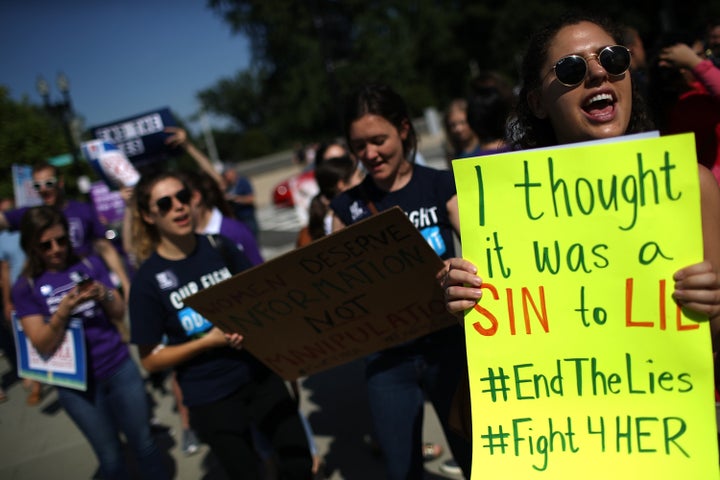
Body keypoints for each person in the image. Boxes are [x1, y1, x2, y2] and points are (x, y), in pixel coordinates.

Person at [441, 11, 720, 430]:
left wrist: (711, 307)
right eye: (571, 69)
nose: (598, 74)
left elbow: (712, 341)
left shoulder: (690, 185)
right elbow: (491, 385)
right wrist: (463, 302)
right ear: (536, 101)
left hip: (667, 431)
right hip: (567, 439)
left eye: (612, 59)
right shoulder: (500, 210)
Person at [127, 171, 313, 479]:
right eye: (165, 203)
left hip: (260, 375)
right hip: (211, 395)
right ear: (148, 215)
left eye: (183, 196)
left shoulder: (220, 246)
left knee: (298, 463)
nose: (179, 207)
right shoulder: (147, 281)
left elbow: (262, 304)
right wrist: (205, 342)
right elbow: (150, 359)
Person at [329, 83, 472, 480]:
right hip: (387, 358)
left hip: (448, 347)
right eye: (359, 146)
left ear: (404, 130)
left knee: (475, 460)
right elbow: (333, 287)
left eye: (379, 140)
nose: (370, 154)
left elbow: (486, 250)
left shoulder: (440, 185)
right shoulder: (346, 207)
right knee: (401, 468)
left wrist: (461, 268)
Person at [11, 206, 169, 479]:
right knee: (110, 457)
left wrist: (104, 294)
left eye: (61, 240)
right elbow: (41, 344)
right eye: (45, 244)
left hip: (118, 367)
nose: (56, 249)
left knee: (144, 443)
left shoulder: (88, 264)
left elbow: (119, 312)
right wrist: (62, 311)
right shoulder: (25, 287)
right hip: (76, 385)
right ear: (31, 246)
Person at [0, 162, 131, 301]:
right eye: (37, 186)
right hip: (50, 290)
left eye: (48, 183)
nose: (43, 189)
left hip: (87, 281)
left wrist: (126, 283)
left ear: (60, 182)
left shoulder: (83, 210)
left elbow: (105, 248)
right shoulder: (32, 216)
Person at [647, 31, 720, 183]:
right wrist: (696, 64)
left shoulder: (700, 93)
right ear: (682, 66)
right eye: (699, 55)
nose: (707, 61)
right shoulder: (689, 106)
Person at [442, 98, 483, 168]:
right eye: (453, 125)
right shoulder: (452, 152)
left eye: (463, 122)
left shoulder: (485, 146)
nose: (458, 129)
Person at [222, 166, 260, 240]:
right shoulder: (228, 186)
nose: (226, 177)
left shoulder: (243, 182)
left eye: (227, 174)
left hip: (247, 216)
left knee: (252, 238)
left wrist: (235, 198)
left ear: (232, 172)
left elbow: (251, 199)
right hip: (237, 218)